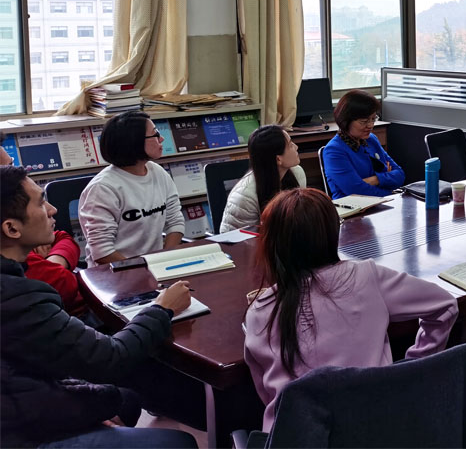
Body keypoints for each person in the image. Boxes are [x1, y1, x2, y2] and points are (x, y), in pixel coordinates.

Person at [1, 165, 197, 448]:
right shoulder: (18, 297)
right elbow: (111, 358)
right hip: (20, 432)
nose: (53, 210)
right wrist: (162, 308)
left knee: (127, 399)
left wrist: (86, 406)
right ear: (11, 228)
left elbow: (26, 379)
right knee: (177, 442)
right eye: (41, 202)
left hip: (24, 401)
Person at [244, 188, 458, 432]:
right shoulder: (366, 276)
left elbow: (266, 394)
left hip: (296, 437)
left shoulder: (260, 312)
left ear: (271, 245)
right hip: (378, 430)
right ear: (333, 234)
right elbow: (445, 305)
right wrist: (410, 368)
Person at [79, 111, 184, 266]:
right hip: (115, 272)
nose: (161, 139)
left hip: (154, 266)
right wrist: (144, 269)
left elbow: (175, 221)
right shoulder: (103, 189)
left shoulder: (158, 172)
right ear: (134, 142)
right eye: (155, 134)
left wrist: (165, 260)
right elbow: (102, 252)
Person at [220, 125, 306, 233]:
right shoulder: (245, 197)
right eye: (290, 145)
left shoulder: (297, 173)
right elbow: (242, 239)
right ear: (278, 159)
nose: (296, 147)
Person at [322, 90, 404, 199]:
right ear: (346, 121)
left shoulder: (371, 140)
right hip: (352, 207)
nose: (370, 125)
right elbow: (355, 191)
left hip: (383, 203)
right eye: (364, 121)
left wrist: (375, 179)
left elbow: (399, 175)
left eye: (373, 119)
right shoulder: (334, 151)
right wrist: (387, 184)